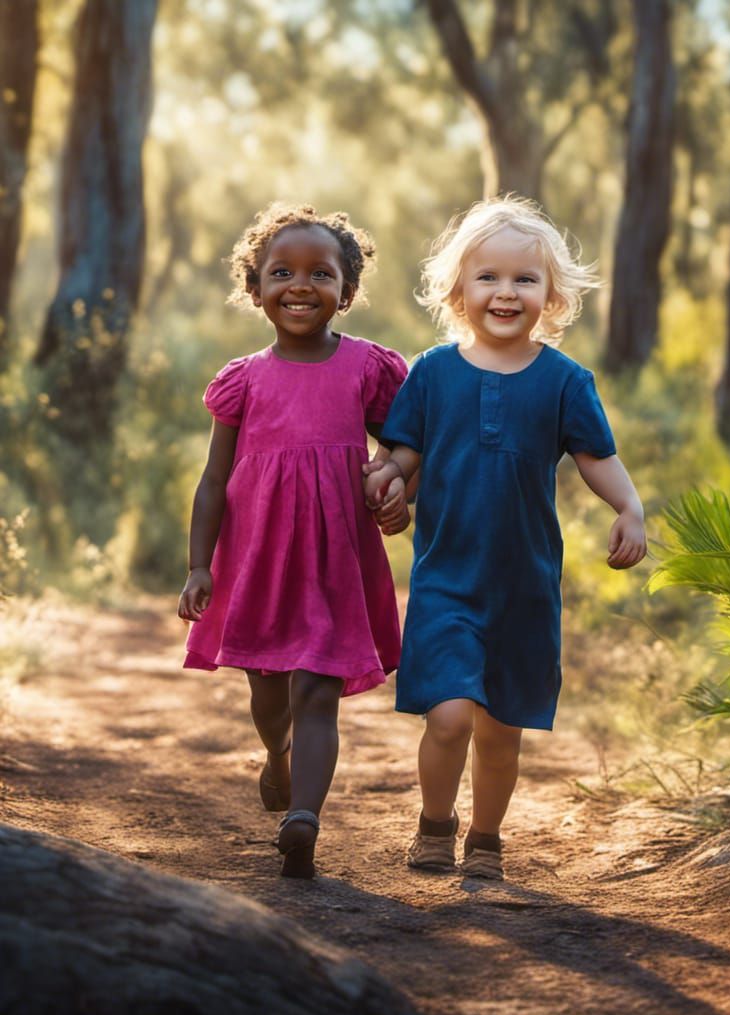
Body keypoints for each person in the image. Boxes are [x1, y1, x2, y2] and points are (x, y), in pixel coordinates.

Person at [364, 196, 646, 880]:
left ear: (552, 295)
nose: (506, 292)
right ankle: (435, 823)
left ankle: (486, 839)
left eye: (525, 279)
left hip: (525, 587)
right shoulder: (432, 372)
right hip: (446, 580)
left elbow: (596, 459)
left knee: (500, 732)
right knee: (451, 716)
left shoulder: (565, 381)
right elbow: (405, 451)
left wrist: (630, 509)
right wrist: (387, 478)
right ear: (458, 289)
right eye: (488, 277)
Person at [178, 202, 409, 879]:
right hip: (258, 561)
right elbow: (214, 481)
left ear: (347, 291)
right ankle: (275, 757)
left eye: (320, 273)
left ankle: (303, 817)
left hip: (335, 562)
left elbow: (402, 447)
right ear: (256, 291)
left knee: (316, 690)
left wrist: (399, 490)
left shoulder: (369, 368)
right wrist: (199, 565)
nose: (301, 285)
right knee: (269, 693)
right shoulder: (243, 379)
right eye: (282, 272)